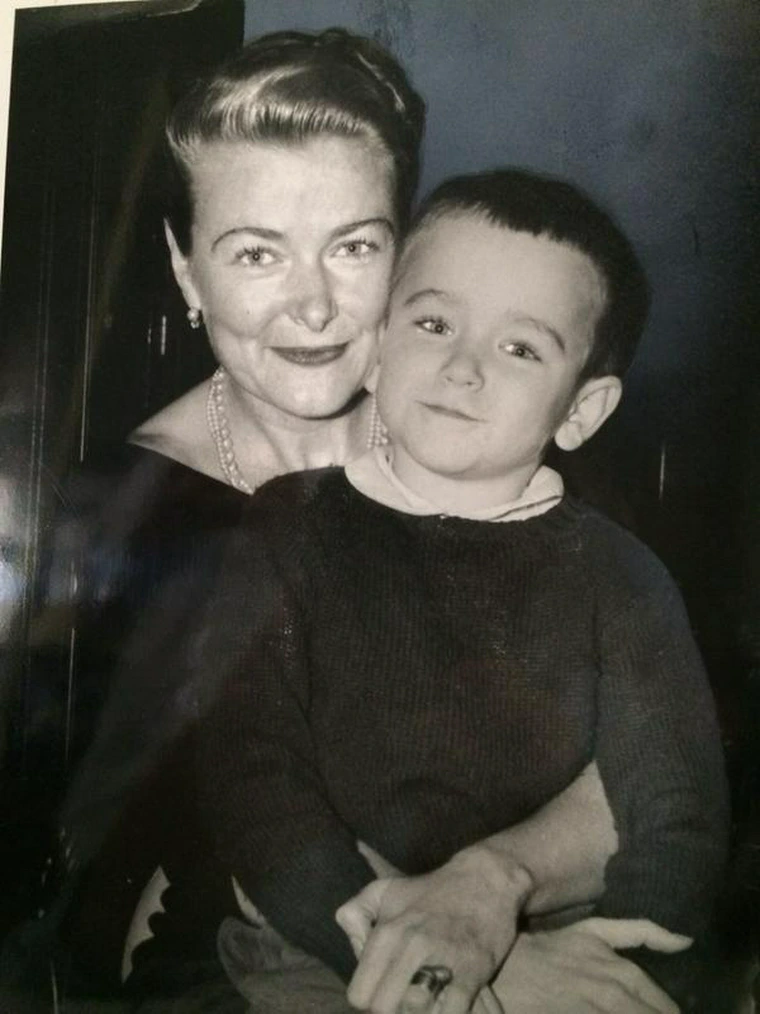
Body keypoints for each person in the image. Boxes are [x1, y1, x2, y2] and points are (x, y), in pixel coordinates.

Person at [10, 29, 685, 1014]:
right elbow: (153, 856)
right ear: (188, 272)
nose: (315, 306)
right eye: (255, 253)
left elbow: (646, 753)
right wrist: (468, 960)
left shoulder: (506, 447)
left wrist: (490, 891)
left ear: (404, 246)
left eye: (355, 245)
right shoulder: (120, 519)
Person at [194, 169, 729, 1014]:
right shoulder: (287, 526)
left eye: (521, 347)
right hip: (329, 940)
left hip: (566, 946)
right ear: (376, 347)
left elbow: (677, 817)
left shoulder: (621, 574)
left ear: (582, 410)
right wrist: (431, 967)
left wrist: (622, 964)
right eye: (435, 322)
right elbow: (253, 778)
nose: (463, 367)